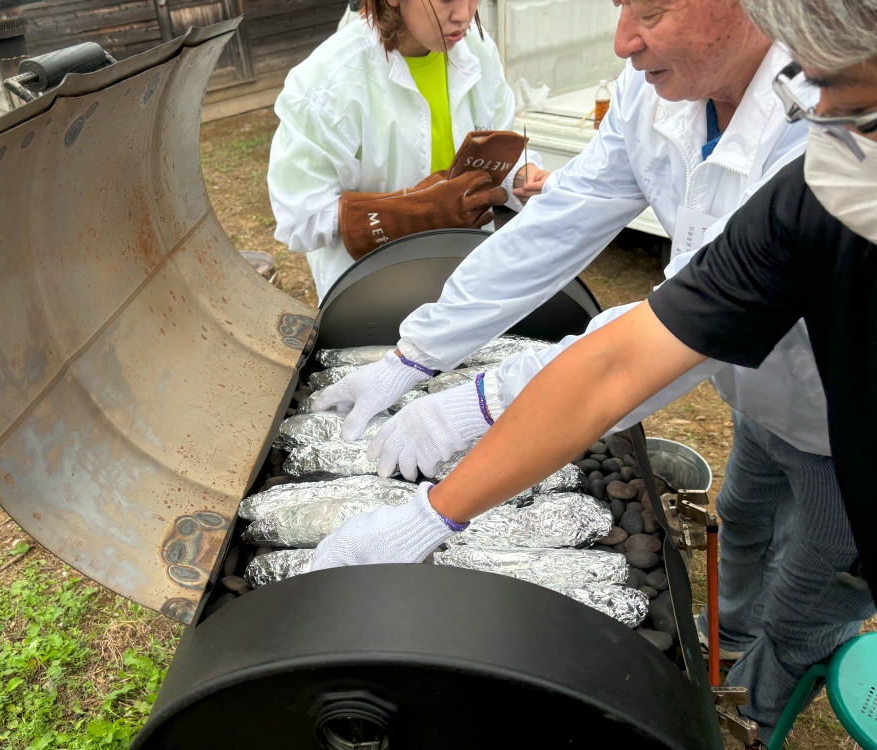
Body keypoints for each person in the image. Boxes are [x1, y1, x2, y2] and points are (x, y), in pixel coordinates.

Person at [311, 0, 877, 741]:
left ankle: (754, 712)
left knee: (812, 585)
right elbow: (620, 295)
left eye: (652, 10)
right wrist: (419, 356)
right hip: (762, 393)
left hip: (841, 424)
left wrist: (469, 414)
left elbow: (667, 338)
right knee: (741, 516)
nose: (622, 40)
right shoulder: (795, 157)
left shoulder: (809, 145)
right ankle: (727, 637)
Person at [267, 0, 547, 301]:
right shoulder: (327, 83)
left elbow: (493, 143)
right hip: (374, 297)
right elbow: (301, 218)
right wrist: (416, 212)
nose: (464, 15)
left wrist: (519, 174)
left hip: (468, 279)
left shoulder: (478, 50)